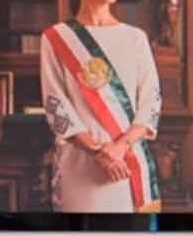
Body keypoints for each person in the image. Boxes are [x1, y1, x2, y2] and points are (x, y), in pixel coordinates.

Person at [40, 0, 162, 213]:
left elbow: (151, 101)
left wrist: (120, 147)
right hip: (81, 163)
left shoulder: (135, 38)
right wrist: (97, 152)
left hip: (128, 160)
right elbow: (56, 104)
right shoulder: (56, 37)